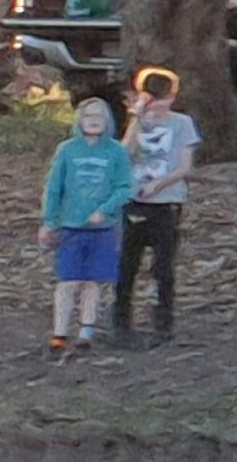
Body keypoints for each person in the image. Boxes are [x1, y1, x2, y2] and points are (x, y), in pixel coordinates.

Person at [42, 95, 136, 355]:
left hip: (104, 229)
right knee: (68, 281)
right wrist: (49, 221)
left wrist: (104, 211)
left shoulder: (116, 151)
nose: (93, 122)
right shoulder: (67, 150)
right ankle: (60, 331)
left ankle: (86, 330)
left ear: (107, 121)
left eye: (99, 117)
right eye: (88, 116)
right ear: (79, 120)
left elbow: (125, 187)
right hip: (71, 226)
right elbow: (53, 188)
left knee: (94, 281)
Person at [114, 67, 196, 348]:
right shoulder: (139, 123)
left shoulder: (182, 124)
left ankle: (163, 323)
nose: (160, 105)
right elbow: (123, 154)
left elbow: (184, 166)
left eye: (165, 98)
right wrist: (136, 118)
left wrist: (159, 185)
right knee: (127, 263)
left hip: (166, 202)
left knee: (163, 266)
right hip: (135, 201)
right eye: (153, 98)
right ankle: (120, 322)